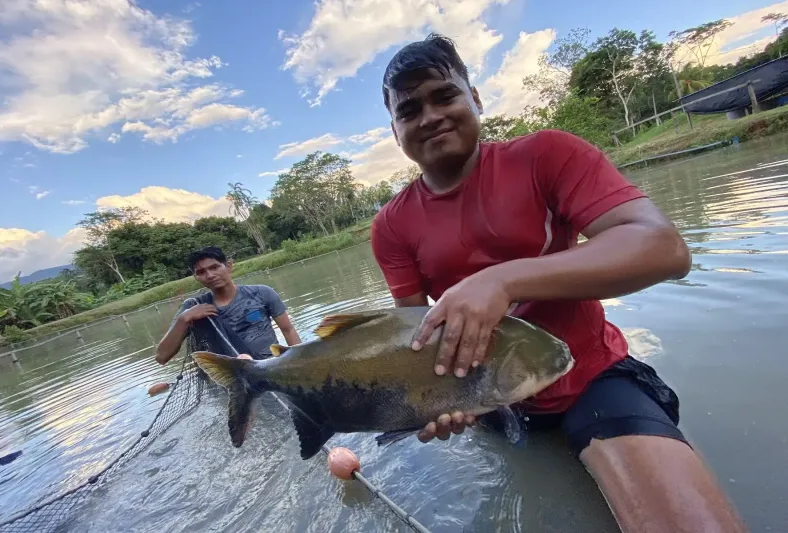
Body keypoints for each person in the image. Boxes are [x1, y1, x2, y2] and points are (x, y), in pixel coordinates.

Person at [371, 34, 746, 532]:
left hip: (588, 377)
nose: (430, 116)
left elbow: (664, 248)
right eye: (410, 110)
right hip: (488, 402)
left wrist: (501, 280)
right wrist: (436, 403)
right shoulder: (390, 226)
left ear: (475, 98)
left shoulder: (546, 154)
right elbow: (414, 337)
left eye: (445, 96)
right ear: (395, 130)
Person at [155, 246, 301, 365]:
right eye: (201, 272)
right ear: (196, 277)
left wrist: (299, 363)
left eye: (214, 267)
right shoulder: (193, 307)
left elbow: (288, 330)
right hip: (230, 378)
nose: (210, 275)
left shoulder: (261, 293)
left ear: (228, 266)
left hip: (271, 367)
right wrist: (184, 319)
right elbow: (162, 357)